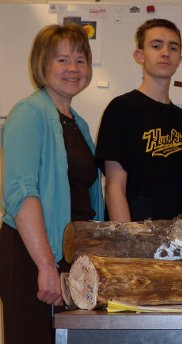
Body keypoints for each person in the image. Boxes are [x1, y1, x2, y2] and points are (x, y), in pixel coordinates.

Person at [0, 24, 104, 343]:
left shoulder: (79, 124)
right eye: (62, 60)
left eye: (80, 60)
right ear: (42, 64)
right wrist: (45, 265)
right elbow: (22, 195)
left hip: (68, 259)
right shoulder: (28, 113)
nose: (73, 68)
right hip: (31, 257)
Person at [95, 18, 182, 222]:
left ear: (179, 59)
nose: (165, 52)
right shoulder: (120, 109)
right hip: (137, 240)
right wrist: (128, 244)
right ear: (140, 55)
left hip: (178, 243)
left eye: (173, 47)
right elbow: (114, 187)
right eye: (156, 45)